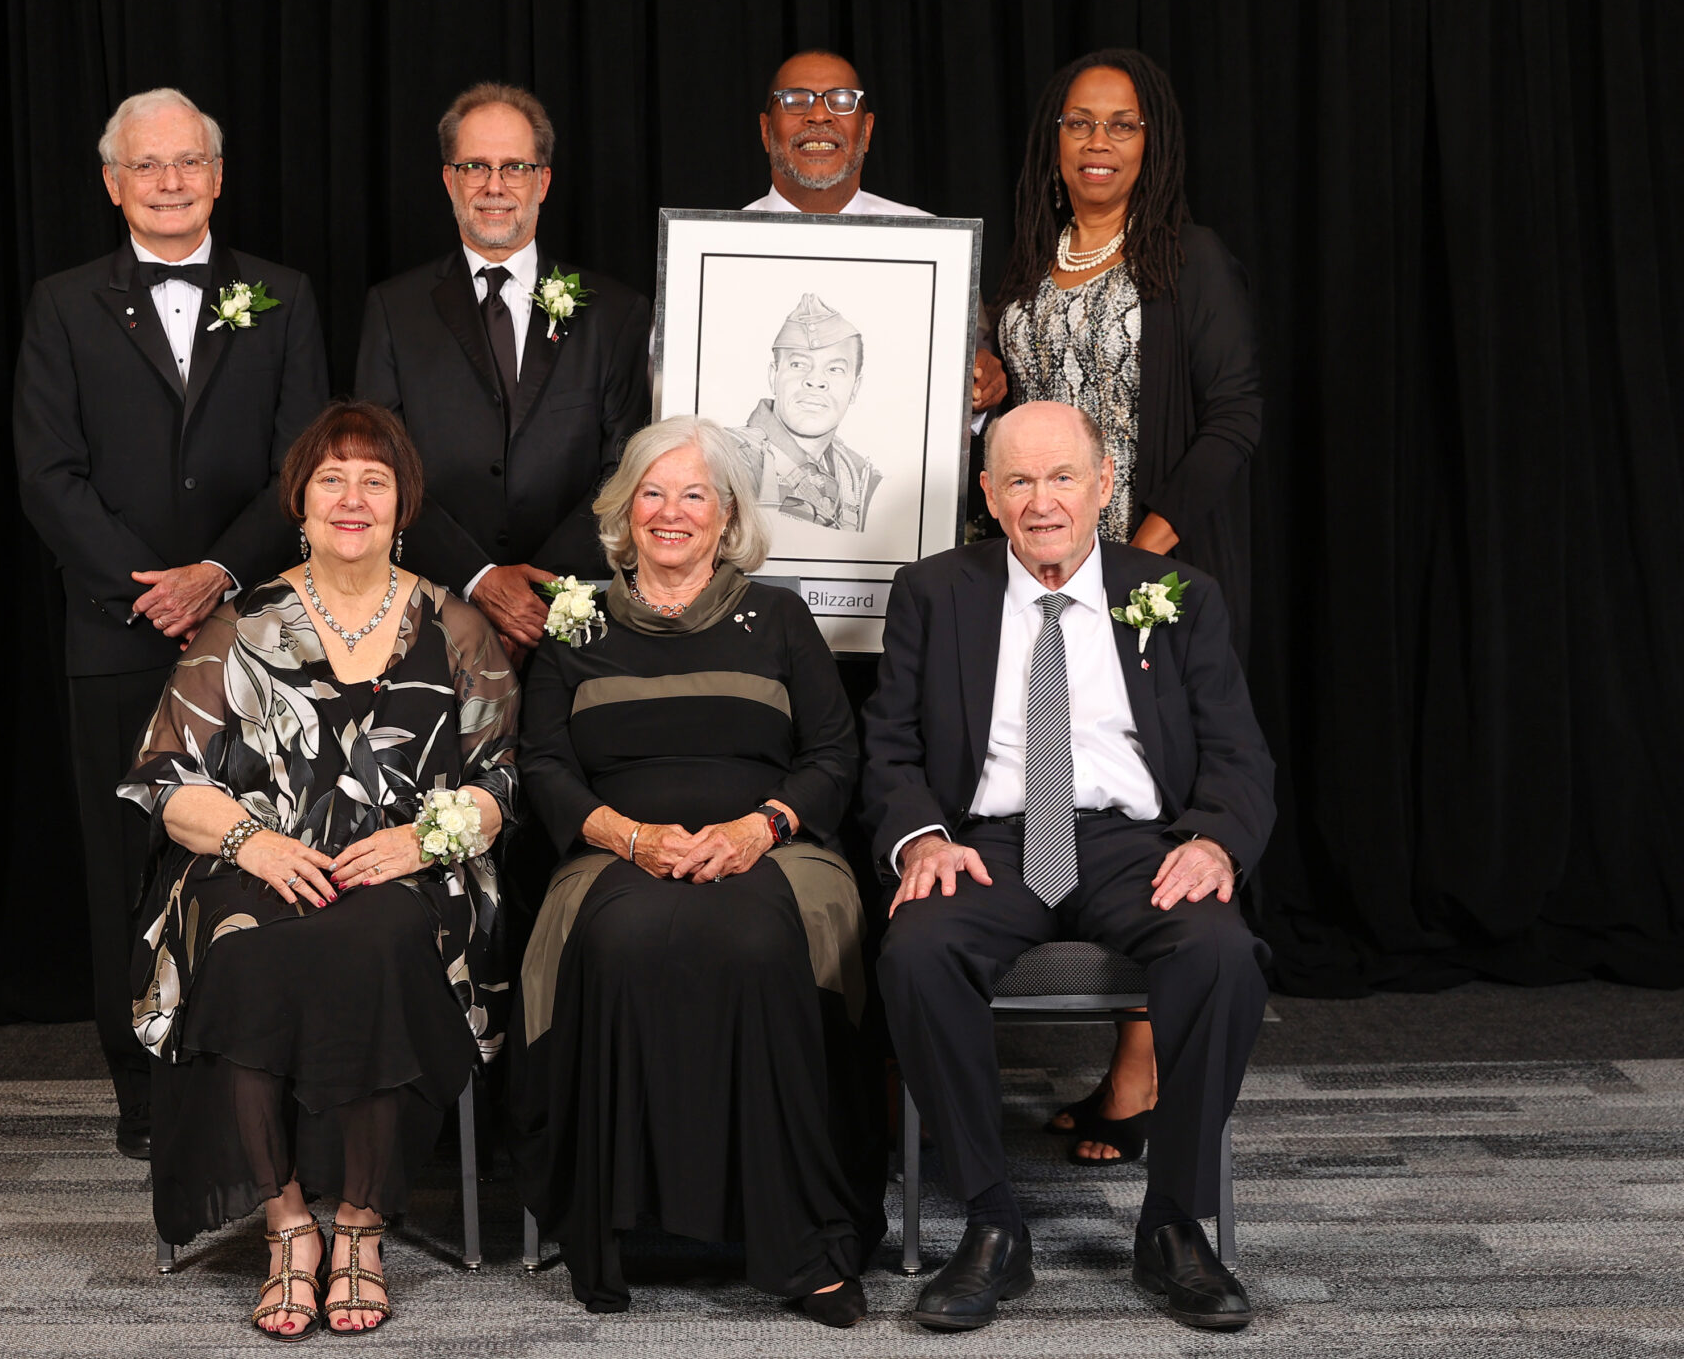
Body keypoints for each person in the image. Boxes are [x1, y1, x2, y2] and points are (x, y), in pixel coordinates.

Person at [864, 402, 1272, 1333]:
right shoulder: (933, 591)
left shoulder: (1178, 593)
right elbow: (886, 749)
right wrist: (922, 837)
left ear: (1103, 484)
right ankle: (991, 1222)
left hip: (1134, 844)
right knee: (915, 953)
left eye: (1060, 478)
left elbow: (1241, 757)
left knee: (1221, 953)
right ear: (988, 496)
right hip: (990, 841)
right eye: (1018, 481)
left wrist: (1212, 840)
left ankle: (1172, 1223)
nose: (1041, 500)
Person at [118, 401, 519, 1339]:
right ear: (299, 504)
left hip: (405, 869)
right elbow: (164, 777)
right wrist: (251, 843)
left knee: (377, 941)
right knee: (246, 945)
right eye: (331, 479)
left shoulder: (457, 628)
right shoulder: (239, 624)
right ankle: (289, 1223)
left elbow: (501, 777)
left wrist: (425, 842)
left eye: (373, 480)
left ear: (402, 505)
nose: (352, 497)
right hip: (253, 860)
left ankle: (363, 1226)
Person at [14, 87, 329, 1160]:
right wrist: (148, 588)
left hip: (254, 639)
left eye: (188, 162)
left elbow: (305, 466)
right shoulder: (63, 304)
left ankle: (253, 1078)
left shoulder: (283, 297)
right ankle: (143, 1100)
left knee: (255, 857)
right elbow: (46, 473)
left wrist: (217, 573)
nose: (169, 181)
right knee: (127, 871)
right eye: (146, 167)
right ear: (113, 184)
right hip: (114, 635)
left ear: (218, 174)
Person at [511, 416, 880, 1326]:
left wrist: (761, 826)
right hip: (614, 848)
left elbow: (835, 752)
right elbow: (545, 764)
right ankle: (618, 1227)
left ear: (728, 517)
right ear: (623, 510)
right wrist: (628, 835)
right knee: (624, 938)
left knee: (757, 942)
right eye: (652, 492)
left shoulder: (780, 616)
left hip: (771, 845)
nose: (671, 513)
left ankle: (798, 1241)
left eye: (695, 495)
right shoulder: (576, 618)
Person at [986, 47, 1262, 1168]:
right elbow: (1002, 416)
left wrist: (1145, 549)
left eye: (1122, 126)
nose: (1097, 144)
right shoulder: (1012, 263)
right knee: (1052, 791)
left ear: (1152, 147)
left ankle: (1138, 1069)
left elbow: (1232, 416)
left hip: (1147, 573)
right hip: (1031, 569)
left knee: (1156, 807)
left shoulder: (1186, 262)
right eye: (1077, 124)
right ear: (1051, 143)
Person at [358, 82, 651, 660]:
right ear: (449, 179)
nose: (495, 186)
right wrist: (479, 578)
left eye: (515, 167)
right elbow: (378, 467)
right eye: (475, 167)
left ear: (543, 181)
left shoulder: (616, 313)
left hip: (570, 618)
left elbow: (627, 468)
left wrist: (538, 588)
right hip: (429, 615)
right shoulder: (393, 309)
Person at [746, 49, 1006, 414]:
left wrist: (980, 387)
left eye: (841, 101)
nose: (819, 115)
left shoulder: (935, 244)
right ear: (765, 130)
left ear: (866, 131)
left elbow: (976, 371)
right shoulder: (704, 252)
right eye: (795, 100)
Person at [729, 293, 883, 531]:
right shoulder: (726, 458)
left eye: (835, 369)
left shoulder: (860, 477)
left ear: (855, 387)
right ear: (773, 376)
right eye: (798, 364)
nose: (815, 380)